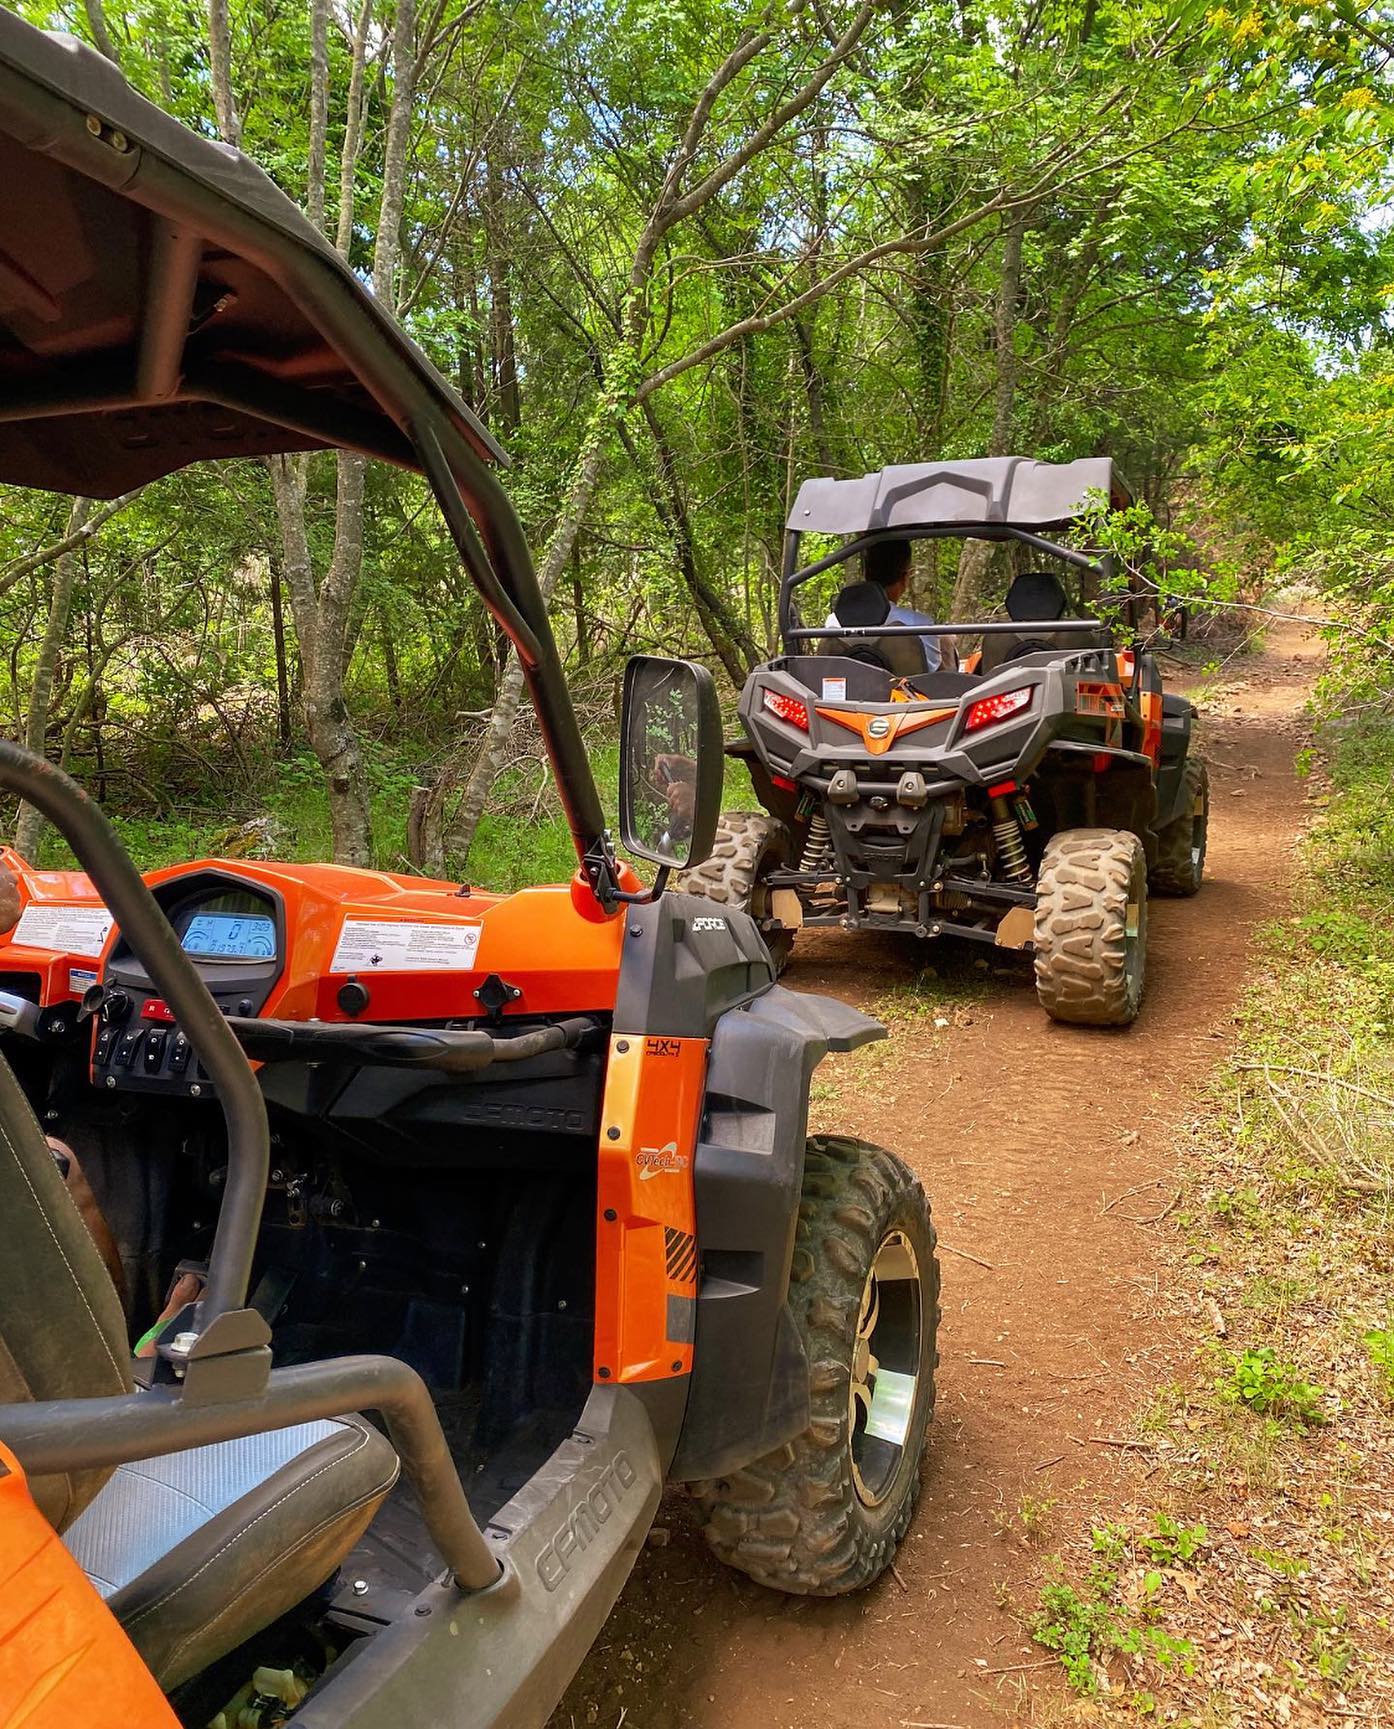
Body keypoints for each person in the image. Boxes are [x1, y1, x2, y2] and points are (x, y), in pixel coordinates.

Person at [827, 538, 949, 671]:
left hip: (847, 689)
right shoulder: (919, 624)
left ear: (866, 574)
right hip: (907, 691)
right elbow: (934, 675)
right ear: (905, 578)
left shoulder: (833, 622)